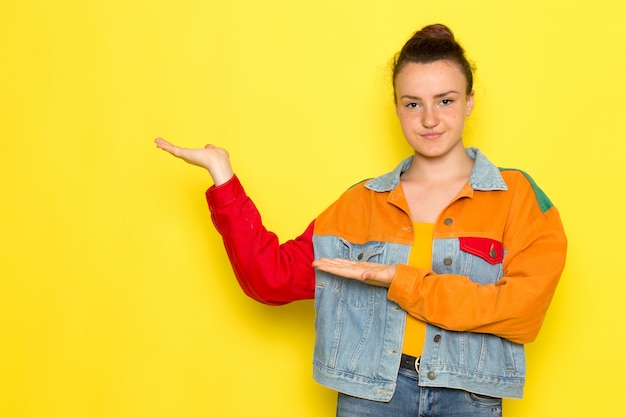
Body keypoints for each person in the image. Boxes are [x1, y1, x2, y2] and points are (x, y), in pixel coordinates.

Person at [155, 23, 567, 417]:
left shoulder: (517, 197)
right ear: (396, 107)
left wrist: (398, 279)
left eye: (445, 100)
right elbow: (270, 278)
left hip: (469, 397)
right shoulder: (360, 203)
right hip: (370, 398)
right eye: (412, 103)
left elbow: (522, 311)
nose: (428, 119)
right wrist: (223, 177)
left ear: (470, 101)